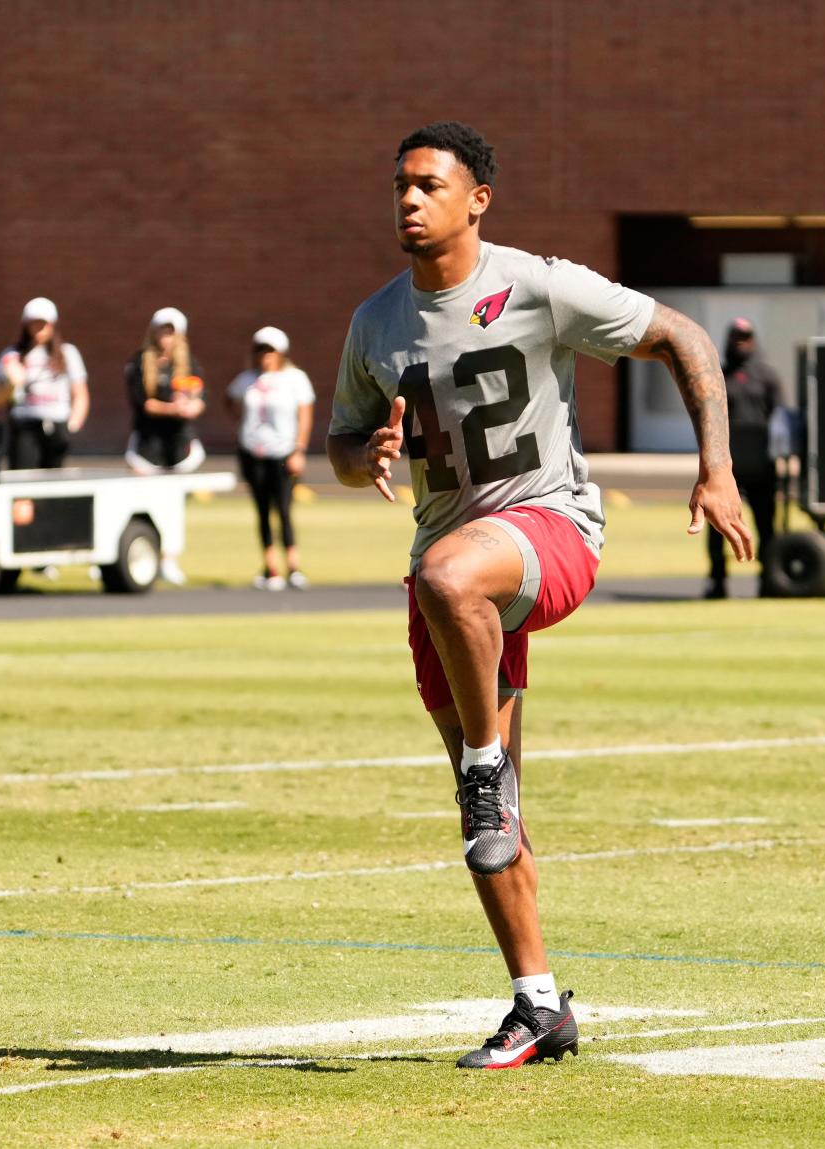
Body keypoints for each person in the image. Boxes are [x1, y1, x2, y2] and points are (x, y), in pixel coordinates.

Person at [327, 121, 752, 1070]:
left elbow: (681, 336)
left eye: (430, 184)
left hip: (547, 530)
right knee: (493, 811)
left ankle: (486, 764)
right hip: (453, 575)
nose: (408, 198)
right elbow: (341, 446)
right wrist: (367, 456)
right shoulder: (376, 321)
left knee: (454, 619)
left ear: (477, 198)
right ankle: (538, 1003)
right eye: (399, 183)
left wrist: (715, 468)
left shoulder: (537, 284)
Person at [226, 326, 315, 590]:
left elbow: (305, 415)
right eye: (260, 349)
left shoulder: (295, 378)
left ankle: (293, 566)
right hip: (253, 452)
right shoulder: (247, 380)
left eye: (269, 350)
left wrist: (299, 450)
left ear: (280, 352)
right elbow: (230, 400)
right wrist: (242, 426)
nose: (264, 355)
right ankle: (270, 568)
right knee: (262, 510)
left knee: (284, 510)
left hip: (283, 452)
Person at [704, 318, 787, 599]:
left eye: (746, 337)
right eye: (736, 337)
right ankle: (717, 580)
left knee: (766, 526)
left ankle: (769, 579)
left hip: (762, 465)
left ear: (753, 340)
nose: (740, 342)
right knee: (718, 526)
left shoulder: (767, 377)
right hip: (726, 467)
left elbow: (781, 419)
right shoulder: (717, 376)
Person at [124, 307, 206, 585]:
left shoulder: (189, 363)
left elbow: (199, 397)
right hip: (148, 447)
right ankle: (128, 552)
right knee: (141, 503)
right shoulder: (139, 363)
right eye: (163, 330)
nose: (167, 337)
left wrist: (191, 407)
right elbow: (143, 403)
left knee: (172, 507)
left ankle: (169, 559)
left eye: (173, 332)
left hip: (177, 447)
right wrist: (173, 409)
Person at [0, 297, 89, 469]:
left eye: (43, 324)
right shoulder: (12, 355)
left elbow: (80, 393)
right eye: (34, 323)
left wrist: (74, 423)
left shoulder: (67, 353)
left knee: (53, 484)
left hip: (57, 425)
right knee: (23, 482)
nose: (39, 329)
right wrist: (12, 385)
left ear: (52, 325)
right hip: (24, 425)